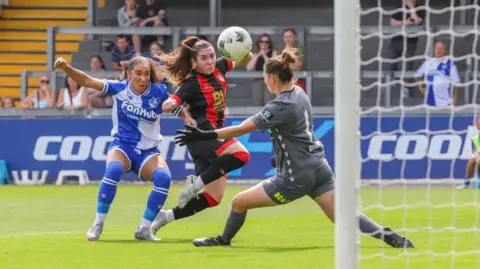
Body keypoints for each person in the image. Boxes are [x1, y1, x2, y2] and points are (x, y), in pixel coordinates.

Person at [174, 50, 415, 248]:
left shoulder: (279, 105)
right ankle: (387, 235)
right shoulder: (300, 93)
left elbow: (242, 129)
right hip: (319, 169)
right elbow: (292, 135)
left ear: (272, 79)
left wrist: (205, 133)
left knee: (238, 202)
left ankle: (222, 240)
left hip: (294, 177)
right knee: (343, 218)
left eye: (265, 76)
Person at [53, 55, 195, 241]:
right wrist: (66, 69)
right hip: (122, 146)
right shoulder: (118, 88)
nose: (143, 78)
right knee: (114, 169)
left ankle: (144, 229)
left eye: (146, 74)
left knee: (163, 178)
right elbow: (87, 80)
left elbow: (177, 108)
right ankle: (98, 224)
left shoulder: (159, 92)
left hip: (148, 151)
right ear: (128, 73)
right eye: (138, 74)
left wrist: (187, 118)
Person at [150, 36, 253, 235]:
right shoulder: (191, 83)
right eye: (203, 58)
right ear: (194, 63)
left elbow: (246, 57)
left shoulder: (221, 67)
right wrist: (171, 104)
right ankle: (195, 184)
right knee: (242, 155)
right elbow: (171, 102)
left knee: (214, 198)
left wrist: (242, 47)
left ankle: (166, 217)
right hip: (201, 134)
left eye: (212, 56)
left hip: (211, 134)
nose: (209, 61)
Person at [459, 116, 480, 189]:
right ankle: (466, 183)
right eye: (477, 122)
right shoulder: (476, 138)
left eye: (479, 122)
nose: (477, 124)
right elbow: (475, 151)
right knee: (472, 159)